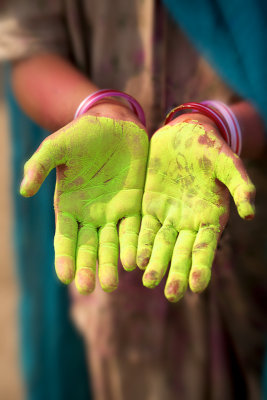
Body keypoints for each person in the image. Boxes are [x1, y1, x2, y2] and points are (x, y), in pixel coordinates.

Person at [0, 1, 267, 399]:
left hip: (246, 247)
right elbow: (29, 48)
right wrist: (97, 109)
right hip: (115, 263)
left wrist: (222, 126)